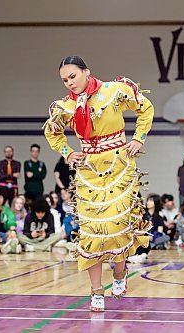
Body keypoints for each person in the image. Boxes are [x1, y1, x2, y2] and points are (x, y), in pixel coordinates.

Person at [43, 56, 154, 312]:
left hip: (119, 166)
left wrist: (139, 138)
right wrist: (68, 152)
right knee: (91, 232)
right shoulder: (64, 107)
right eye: (64, 80)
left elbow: (144, 107)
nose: (69, 83)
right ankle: (96, 290)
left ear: (86, 72)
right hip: (88, 170)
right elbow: (52, 131)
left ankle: (119, 270)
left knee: (117, 225)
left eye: (73, 76)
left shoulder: (113, 91)